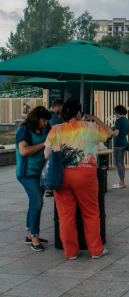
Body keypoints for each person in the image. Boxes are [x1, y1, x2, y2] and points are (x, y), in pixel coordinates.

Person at [44, 101, 111, 259]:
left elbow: (46, 155)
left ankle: (71, 252)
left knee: (66, 215)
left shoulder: (56, 129)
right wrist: (94, 119)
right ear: (79, 113)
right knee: (91, 213)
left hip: (61, 175)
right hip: (85, 174)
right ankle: (96, 250)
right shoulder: (90, 127)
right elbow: (108, 133)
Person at [16, 106, 52, 251]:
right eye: (43, 120)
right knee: (37, 203)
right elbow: (23, 151)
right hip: (27, 173)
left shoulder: (43, 130)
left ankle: (29, 234)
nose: (45, 123)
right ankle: (35, 238)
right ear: (36, 118)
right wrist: (43, 144)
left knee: (34, 203)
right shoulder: (23, 131)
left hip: (39, 172)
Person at [111, 105, 129, 189]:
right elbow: (126, 132)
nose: (114, 114)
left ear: (118, 112)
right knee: (121, 163)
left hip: (118, 144)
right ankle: (122, 181)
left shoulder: (118, 121)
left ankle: (122, 182)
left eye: (115, 112)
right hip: (124, 143)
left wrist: (110, 131)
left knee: (117, 163)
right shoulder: (126, 120)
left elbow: (116, 133)